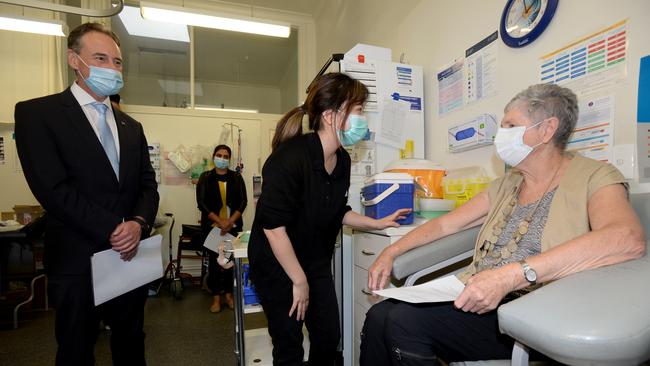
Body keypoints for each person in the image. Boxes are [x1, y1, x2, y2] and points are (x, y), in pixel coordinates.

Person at [359, 83, 646, 365]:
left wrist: (512, 276)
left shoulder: (596, 176)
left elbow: (626, 238)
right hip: (478, 297)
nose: (501, 135)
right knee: (378, 316)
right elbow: (446, 225)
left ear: (547, 129)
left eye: (510, 126)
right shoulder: (507, 184)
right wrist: (391, 252)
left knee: (404, 322)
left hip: (533, 310)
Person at [14, 23, 159, 365]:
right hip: (77, 259)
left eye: (118, 61)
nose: (112, 67)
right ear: (74, 60)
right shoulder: (38, 114)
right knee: (77, 348)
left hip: (129, 258)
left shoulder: (131, 127)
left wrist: (138, 223)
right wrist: (113, 227)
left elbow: (147, 185)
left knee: (130, 342)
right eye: (100, 58)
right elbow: (52, 189)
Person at [248, 72, 411, 366]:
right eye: (359, 110)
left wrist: (379, 222)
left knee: (327, 336)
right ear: (331, 115)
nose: (363, 118)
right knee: (289, 344)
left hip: (314, 262)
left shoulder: (343, 160)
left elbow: (336, 210)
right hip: (278, 264)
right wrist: (298, 280)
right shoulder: (290, 158)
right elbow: (272, 228)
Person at [196, 144, 247, 313]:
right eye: (219, 155)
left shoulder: (237, 178)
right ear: (213, 157)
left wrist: (230, 222)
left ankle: (229, 296)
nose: (222, 159)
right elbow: (201, 203)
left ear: (229, 159)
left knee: (230, 263)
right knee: (215, 263)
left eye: (226, 156)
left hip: (232, 227)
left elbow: (243, 202)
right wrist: (220, 222)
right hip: (212, 227)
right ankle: (216, 299)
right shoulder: (205, 177)